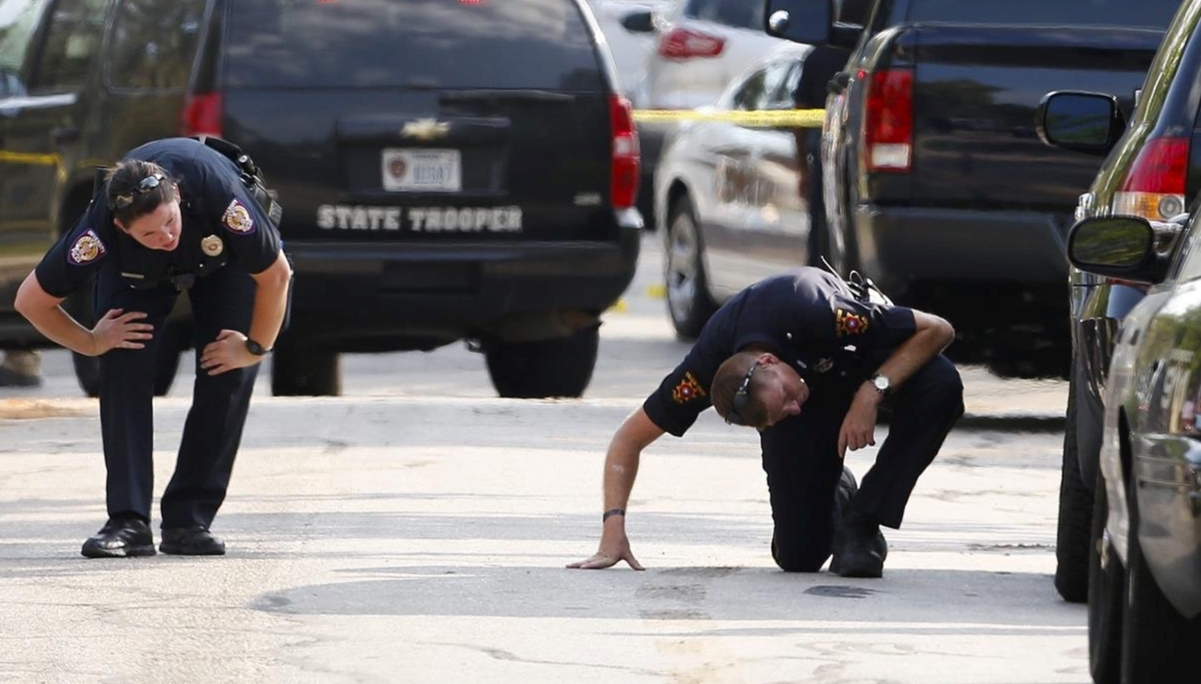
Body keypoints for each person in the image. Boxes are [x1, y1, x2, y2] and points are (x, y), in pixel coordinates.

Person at [568, 268, 964, 577]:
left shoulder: (815, 308)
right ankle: (836, 488)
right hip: (817, 396)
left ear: (770, 362)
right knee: (799, 557)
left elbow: (939, 328)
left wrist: (871, 392)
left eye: (787, 398)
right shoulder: (703, 372)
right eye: (778, 417)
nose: (793, 407)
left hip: (861, 366)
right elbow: (628, 440)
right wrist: (612, 531)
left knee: (941, 384)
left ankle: (864, 520)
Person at [14, 136, 292, 558]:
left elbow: (277, 276)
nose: (165, 236)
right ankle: (128, 521)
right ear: (122, 227)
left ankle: (189, 520)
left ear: (177, 196)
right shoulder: (101, 229)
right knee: (121, 358)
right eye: (149, 232)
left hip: (222, 258)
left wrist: (254, 348)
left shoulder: (220, 196)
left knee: (226, 365)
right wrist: (91, 342)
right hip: (137, 274)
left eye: (169, 223)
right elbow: (31, 300)